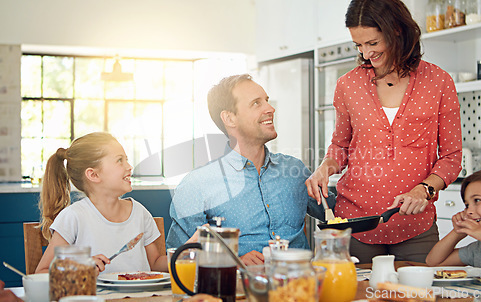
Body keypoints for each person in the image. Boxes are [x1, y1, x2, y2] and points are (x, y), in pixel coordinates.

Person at [305, 0, 462, 263]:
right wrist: (325, 167)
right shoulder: (348, 85)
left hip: (415, 227)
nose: (366, 53)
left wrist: (424, 189)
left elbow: (451, 156)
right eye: (359, 45)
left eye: (373, 43)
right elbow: (340, 146)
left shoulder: (438, 82)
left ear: (396, 31)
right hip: (356, 224)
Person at [167, 74, 333, 265]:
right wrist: (231, 262)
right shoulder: (196, 185)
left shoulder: (294, 170)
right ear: (229, 118)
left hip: (300, 287)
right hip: (238, 290)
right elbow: (179, 258)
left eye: (267, 101)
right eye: (256, 103)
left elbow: (339, 215)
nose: (270, 109)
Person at [35, 132, 168, 274]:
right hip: (95, 296)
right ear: (93, 175)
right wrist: (80, 268)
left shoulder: (140, 213)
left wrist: (189, 249)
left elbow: (154, 264)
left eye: (126, 160)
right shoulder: (74, 216)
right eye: (119, 160)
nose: (129, 166)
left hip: (142, 296)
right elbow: (41, 272)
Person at [426, 169, 481, 271]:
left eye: (477, 200)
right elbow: (434, 263)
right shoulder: (480, 250)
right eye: (467, 205)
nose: (468, 211)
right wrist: (458, 232)